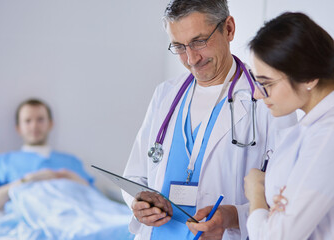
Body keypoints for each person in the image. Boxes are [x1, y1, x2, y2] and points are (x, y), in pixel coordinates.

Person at [122, 1, 297, 239]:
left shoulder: (271, 96)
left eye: (199, 41)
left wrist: (231, 217)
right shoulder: (165, 94)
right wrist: (139, 201)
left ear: (229, 29)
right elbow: (134, 176)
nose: (191, 58)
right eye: (179, 46)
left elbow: (288, 196)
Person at [244, 12, 334, 239]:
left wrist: (256, 192)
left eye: (266, 83)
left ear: (309, 76)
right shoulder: (311, 126)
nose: (256, 94)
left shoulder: (327, 136)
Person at [0, 98, 94, 210]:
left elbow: (98, 200)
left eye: (40, 120)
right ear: (18, 128)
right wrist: (27, 180)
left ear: (50, 124)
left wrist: (77, 181)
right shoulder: (2, 162)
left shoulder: (72, 162)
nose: (34, 126)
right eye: (28, 121)